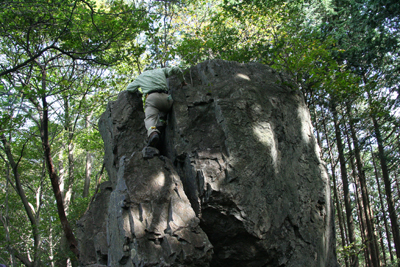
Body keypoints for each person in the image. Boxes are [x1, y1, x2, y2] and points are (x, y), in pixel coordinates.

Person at [126, 66, 187, 148]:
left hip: (153, 98)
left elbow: (129, 88)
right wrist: (183, 82)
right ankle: (162, 121)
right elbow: (176, 69)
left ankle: (153, 132)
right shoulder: (160, 71)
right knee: (163, 111)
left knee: (150, 117)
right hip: (167, 99)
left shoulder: (141, 76)